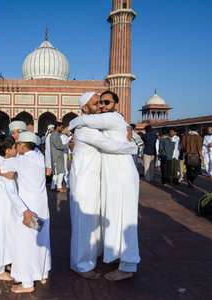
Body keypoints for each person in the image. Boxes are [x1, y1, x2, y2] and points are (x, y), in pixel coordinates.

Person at [70, 91, 140, 281]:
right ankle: (81, 263)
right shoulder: (88, 128)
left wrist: (133, 144)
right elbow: (109, 144)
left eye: (105, 102)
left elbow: (112, 142)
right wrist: (132, 146)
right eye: (98, 103)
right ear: (85, 108)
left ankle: (125, 262)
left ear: (116, 104)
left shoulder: (110, 120)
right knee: (86, 224)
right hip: (87, 182)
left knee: (120, 220)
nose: (101, 105)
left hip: (115, 178)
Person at [0, 131, 51, 293]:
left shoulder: (21, 161)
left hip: (28, 210)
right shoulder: (38, 156)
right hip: (40, 206)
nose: (16, 147)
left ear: (22, 146)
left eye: (17, 144)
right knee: (41, 240)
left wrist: (24, 211)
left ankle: (27, 282)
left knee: (26, 243)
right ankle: (42, 273)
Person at [0, 135, 28, 282]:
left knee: (8, 234)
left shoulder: (3, 159)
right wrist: (24, 210)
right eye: (14, 146)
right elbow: (10, 176)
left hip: (4, 204)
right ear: (8, 150)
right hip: (3, 205)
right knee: (1, 234)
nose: (17, 148)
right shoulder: (3, 161)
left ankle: (7, 262)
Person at [50, 122, 69, 192]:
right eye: (61, 127)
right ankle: (59, 187)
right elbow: (58, 146)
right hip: (56, 156)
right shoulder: (55, 135)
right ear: (57, 127)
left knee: (59, 172)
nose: (62, 129)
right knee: (60, 172)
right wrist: (68, 146)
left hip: (58, 156)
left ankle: (55, 186)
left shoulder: (56, 135)